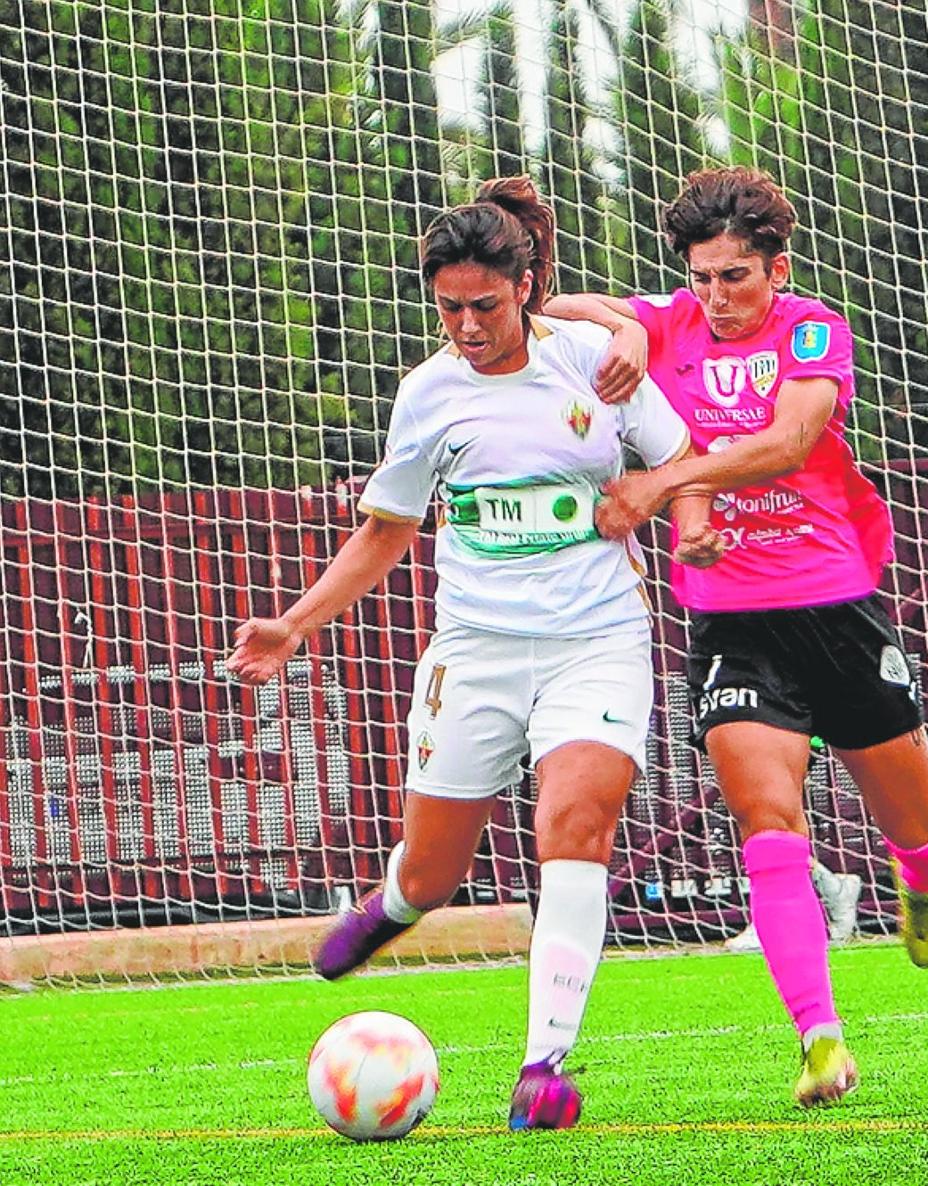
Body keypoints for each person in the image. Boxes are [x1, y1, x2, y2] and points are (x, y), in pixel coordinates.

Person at [226, 177, 718, 1132]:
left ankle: (546, 1064)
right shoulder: (428, 393)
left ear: (527, 287)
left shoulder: (594, 362)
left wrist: (674, 509)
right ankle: (400, 900)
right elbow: (384, 530)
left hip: (597, 642)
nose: (465, 324)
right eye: (448, 307)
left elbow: (678, 454)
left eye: (483, 305)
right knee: (437, 871)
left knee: (576, 825)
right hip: (477, 650)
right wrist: (296, 624)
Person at [545, 166, 928, 1108]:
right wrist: (619, 326)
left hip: (835, 606)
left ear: (776, 269)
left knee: (922, 829)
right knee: (766, 825)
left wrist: (661, 485)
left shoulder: (812, 330)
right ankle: (820, 1039)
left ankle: (922, 876)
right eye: (700, 277)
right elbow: (560, 304)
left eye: (735, 276)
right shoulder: (671, 322)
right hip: (733, 622)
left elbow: (789, 443)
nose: (717, 297)